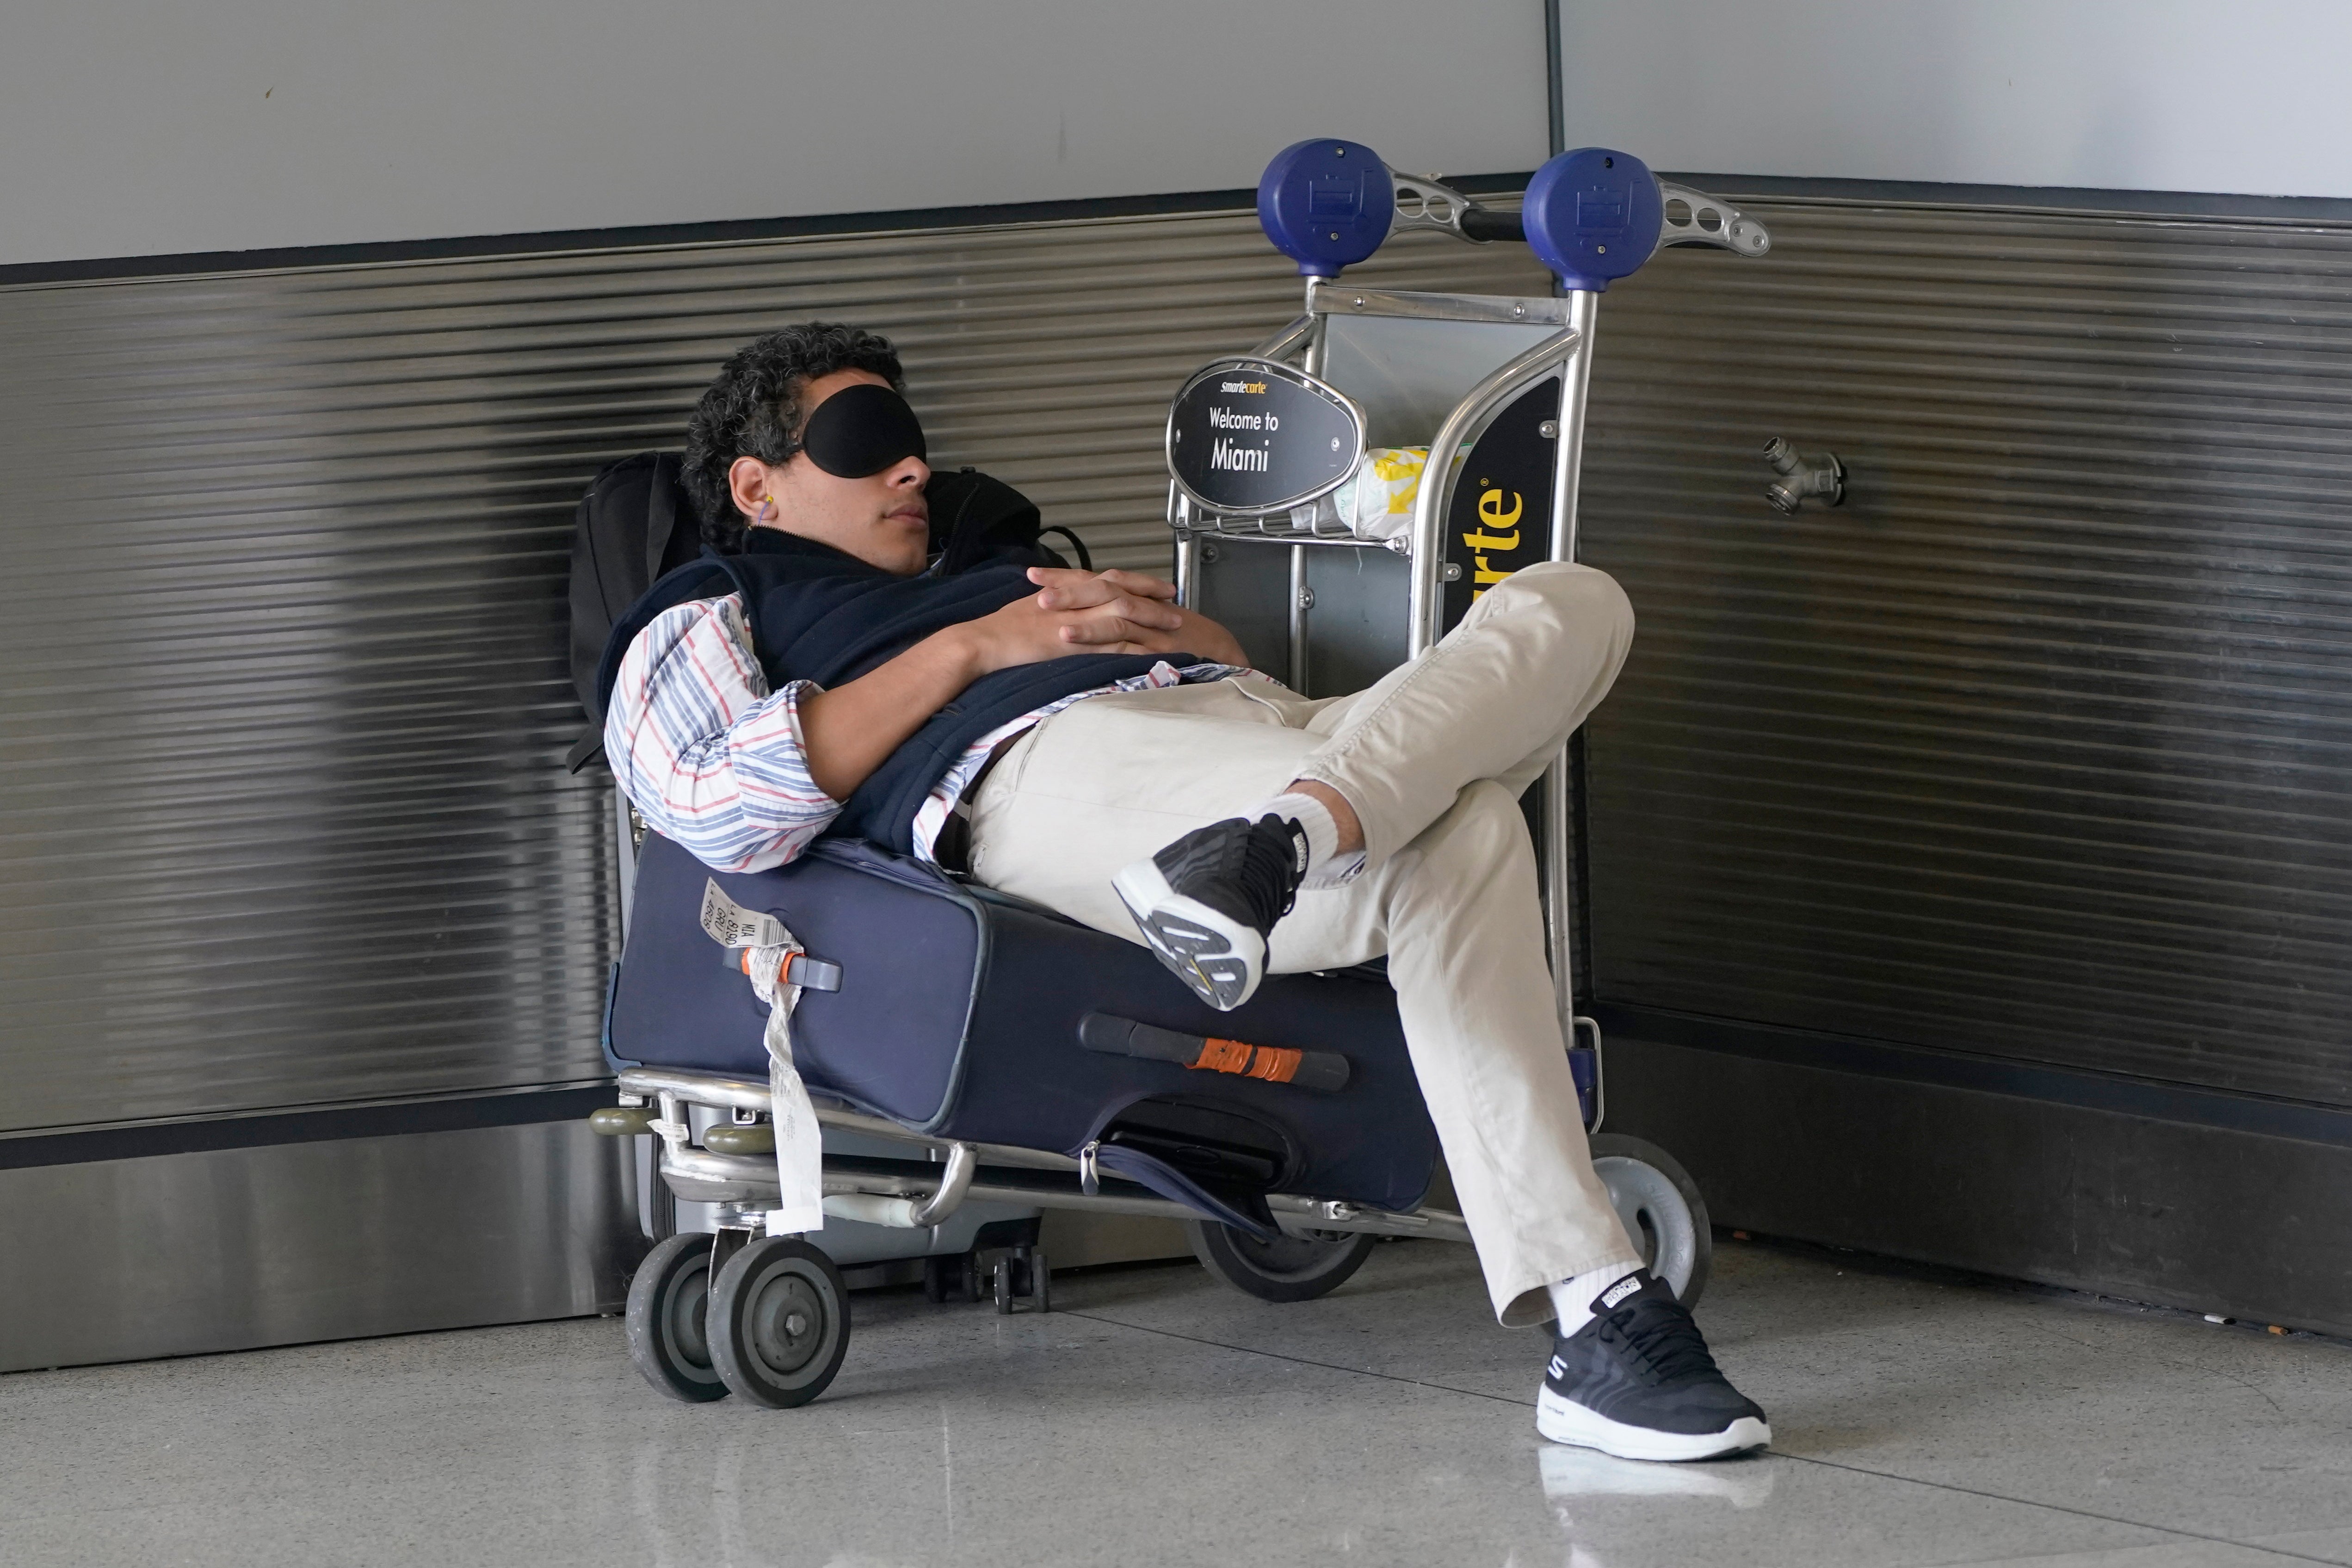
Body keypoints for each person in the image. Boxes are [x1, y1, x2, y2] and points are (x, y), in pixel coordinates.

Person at [603, 322, 1771, 1463]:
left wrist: (1208, 648)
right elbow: (717, 806)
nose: (911, 466)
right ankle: (1598, 1311)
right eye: (862, 441)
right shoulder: (720, 607)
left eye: (910, 439)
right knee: (1461, 827)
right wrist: (973, 650)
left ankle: (1284, 843)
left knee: (1574, 601)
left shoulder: (993, 562)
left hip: (1258, 742)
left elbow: (1235, 682)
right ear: (755, 488)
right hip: (1048, 766)